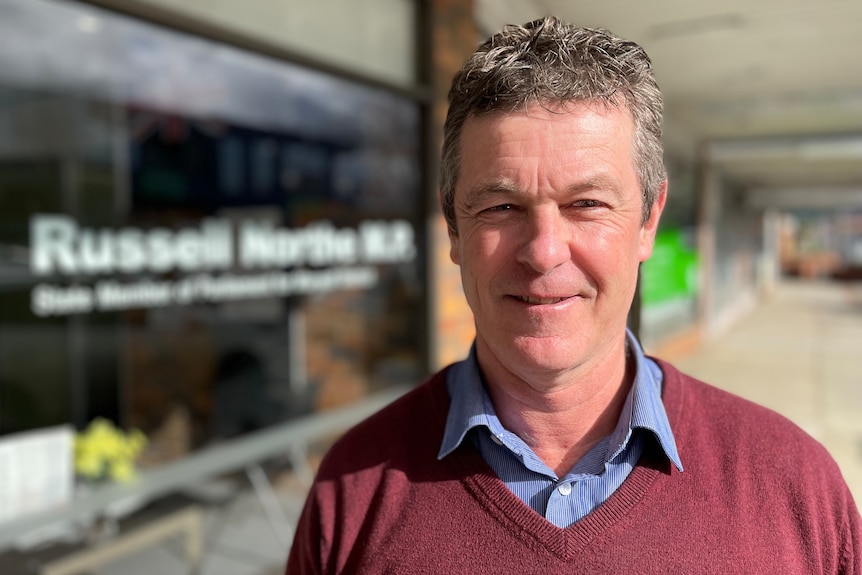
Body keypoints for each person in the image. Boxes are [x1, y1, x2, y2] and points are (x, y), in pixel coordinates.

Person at [286, 17, 860, 573]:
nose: (544, 251)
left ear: (647, 222)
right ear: (453, 228)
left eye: (587, 204)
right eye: (500, 207)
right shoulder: (353, 492)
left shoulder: (794, 486)